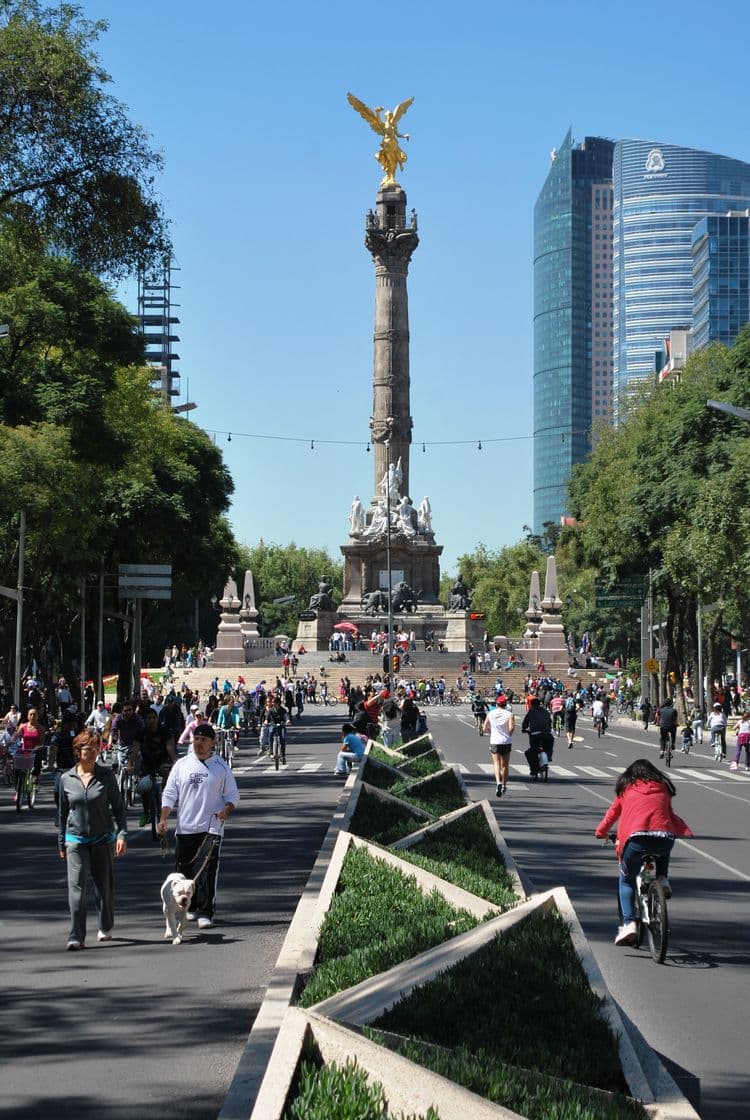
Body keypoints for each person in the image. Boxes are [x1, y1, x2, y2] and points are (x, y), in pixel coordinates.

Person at [594, 758, 693, 946]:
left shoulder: (627, 789)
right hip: (664, 837)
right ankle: (662, 879)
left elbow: (612, 815)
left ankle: (629, 923)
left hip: (637, 840)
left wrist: (600, 833)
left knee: (626, 879)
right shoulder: (663, 788)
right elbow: (667, 814)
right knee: (663, 845)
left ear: (630, 775)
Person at [157, 722, 239, 929]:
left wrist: (225, 811)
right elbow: (169, 794)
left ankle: (205, 911)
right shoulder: (182, 765)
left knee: (207, 870)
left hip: (211, 827)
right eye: (196, 739)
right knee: (184, 871)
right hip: (185, 827)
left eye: (203, 740)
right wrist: (163, 818)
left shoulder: (221, 766)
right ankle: (189, 908)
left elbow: (232, 796)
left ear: (212, 742)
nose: (199, 743)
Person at [57, 730, 128, 950]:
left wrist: (121, 834)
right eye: (90, 749)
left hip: (103, 838)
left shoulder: (106, 776)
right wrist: (61, 841)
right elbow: (61, 813)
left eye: (97, 748)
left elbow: (118, 808)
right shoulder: (65, 779)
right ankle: (76, 935)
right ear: (79, 752)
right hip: (75, 840)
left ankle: (105, 925)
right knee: (76, 889)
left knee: (103, 887)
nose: (95, 752)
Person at [483, 695, 514, 797]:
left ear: (496, 704)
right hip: (506, 742)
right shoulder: (510, 714)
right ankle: (504, 785)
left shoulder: (491, 713)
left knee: (496, 764)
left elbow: (484, 728)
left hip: (495, 741)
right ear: (505, 704)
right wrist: (508, 734)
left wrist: (491, 732)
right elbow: (511, 729)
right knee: (505, 765)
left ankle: (498, 783)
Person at [521, 697, 553, 777]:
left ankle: (534, 769)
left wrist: (524, 729)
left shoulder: (531, 712)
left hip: (535, 735)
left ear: (531, 705)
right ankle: (548, 756)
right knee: (549, 745)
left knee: (530, 752)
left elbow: (525, 722)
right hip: (547, 735)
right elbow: (549, 722)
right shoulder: (546, 712)